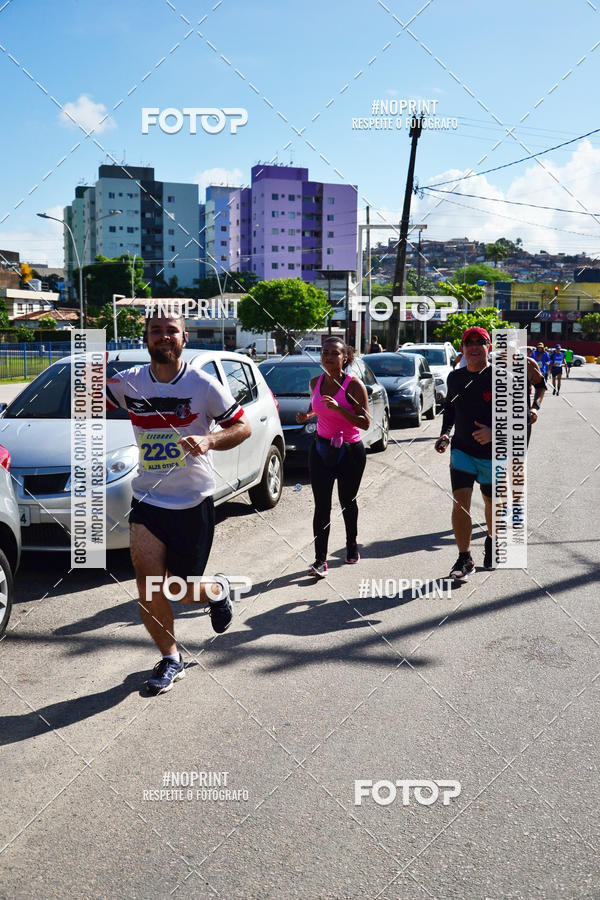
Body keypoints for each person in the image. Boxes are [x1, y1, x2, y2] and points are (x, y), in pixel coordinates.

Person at [106, 312, 251, 694]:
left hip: (192, 502)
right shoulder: (129, 382)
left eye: (172, 331)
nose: (164, 336)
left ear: (184, 338)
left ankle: (216, 591)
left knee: (182, 590)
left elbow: (243, 426)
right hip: (148, 499)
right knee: (149, 586)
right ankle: (171, 658)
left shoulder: (203, 385)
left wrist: (209, 440)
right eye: (156, 331)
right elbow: (86, 397)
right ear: (145, 339)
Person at [296, 336, 370, 576]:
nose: (328, 357)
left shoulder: (354, 385)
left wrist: (340, 409)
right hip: (321, 449)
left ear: (344, 357)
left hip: (350, 452)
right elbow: (316, 407)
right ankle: (320, 560)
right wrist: (307, 416)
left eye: (334, 353)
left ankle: (351, 543)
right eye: (325, 352)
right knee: (322, 506)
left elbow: (365, 422)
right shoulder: (315, 382)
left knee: (347, 501)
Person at [434, 327, 494, 580]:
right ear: (462, 348)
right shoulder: (455, 378)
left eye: (480, 342)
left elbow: (520, 417)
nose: (474, 346)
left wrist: (493, 432)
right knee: (460, 503)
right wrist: (445, 434)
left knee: (491, 503)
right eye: (469, 343)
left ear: (489, 347)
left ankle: (492, 539)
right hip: (462, 450)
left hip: (493, 454)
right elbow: (450, 409)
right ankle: (464, 557)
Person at [527, 354, 547, 444]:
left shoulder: (528, 363)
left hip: (521, 421)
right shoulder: (491, 362)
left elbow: (541, 386)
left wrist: (535, 407)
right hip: (491, 422)